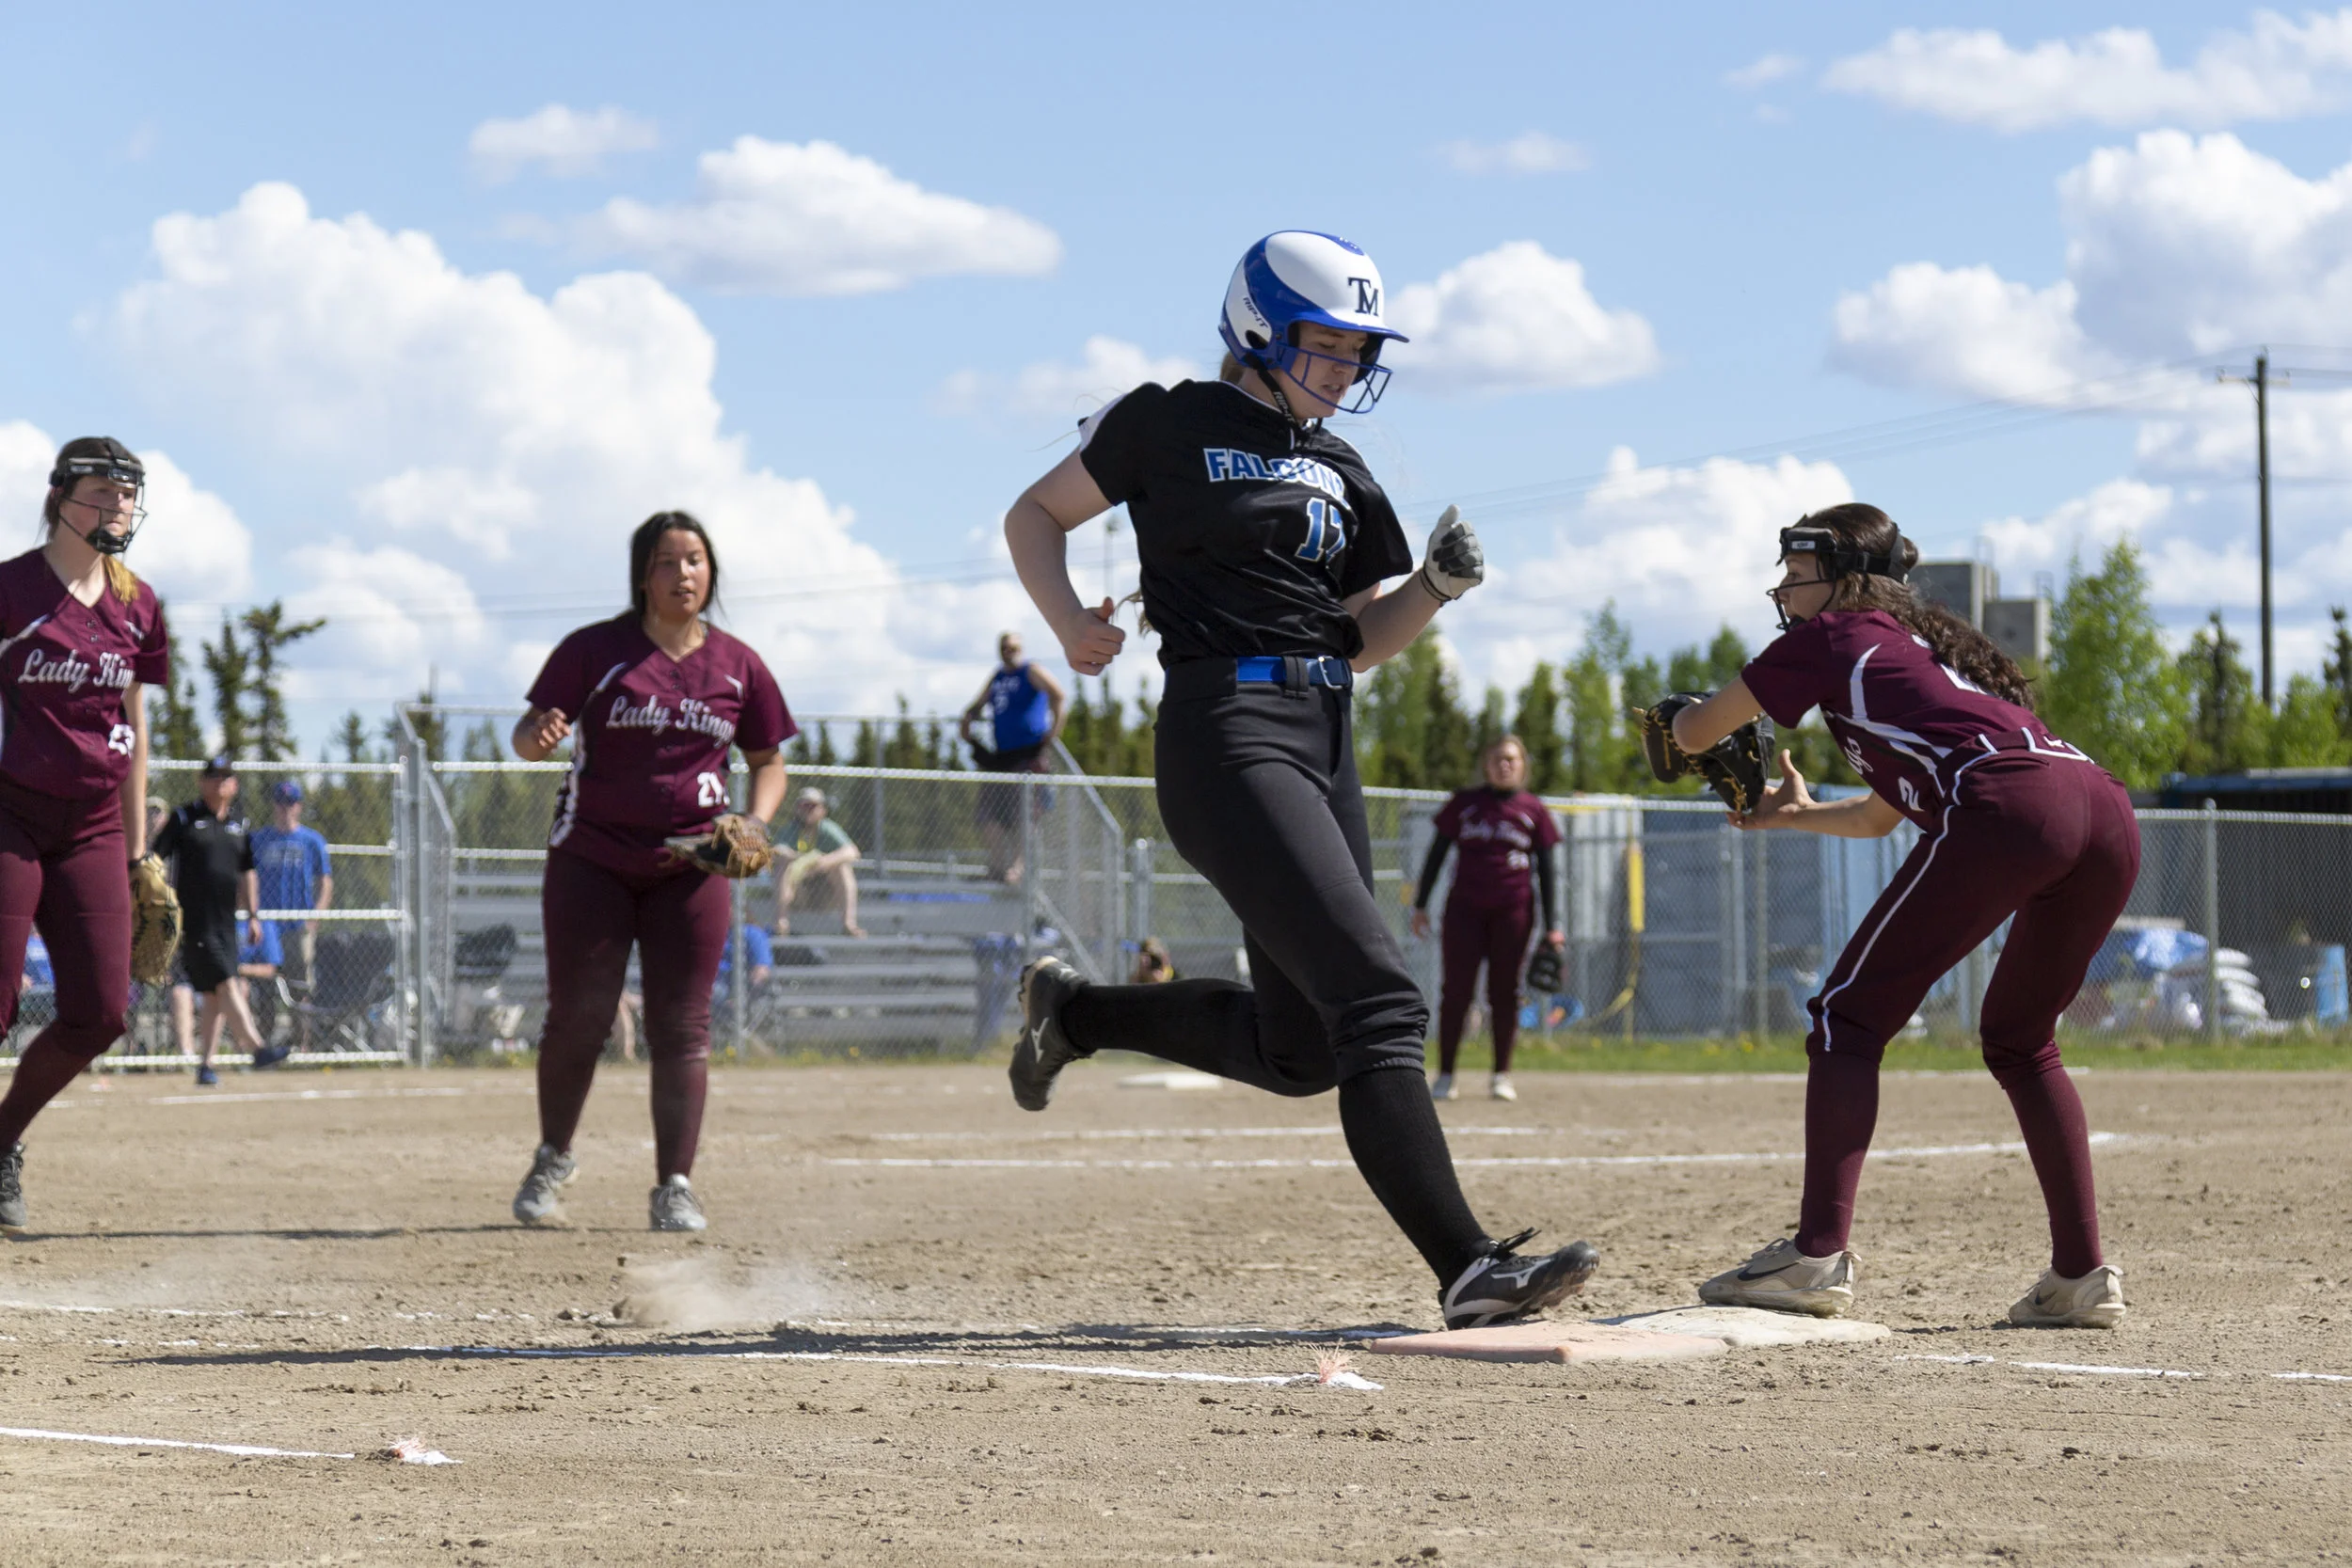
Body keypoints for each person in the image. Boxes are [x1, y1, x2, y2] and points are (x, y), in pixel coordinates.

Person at [999, 230, 1598, 1330]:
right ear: (1257, 328)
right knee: (1380, 998)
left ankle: (1074, 1013)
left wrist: (1434, 587)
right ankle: (1468, 1266)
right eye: (1329, 347)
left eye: (1360, 352)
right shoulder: (1167, 418)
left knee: (1305, 1047)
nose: (1348, 372)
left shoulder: (1342, 465)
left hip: (1325, 731)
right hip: (1225, 728)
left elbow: (1361, 636)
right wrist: (1067, 623)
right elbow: (1033, 514)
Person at [1670, 504, 2138, 1329]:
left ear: (1841, 573)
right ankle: (2081, 1275)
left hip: (2010, 802)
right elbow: (1881, 816)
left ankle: (1815, 1257)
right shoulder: (1915, 650)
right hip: (2098, 807)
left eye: (1796, 567)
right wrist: (1792, 816)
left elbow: (1698, 725)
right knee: (2022, 1037)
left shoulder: (1831, 638)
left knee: (1846, 1015)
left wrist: (1677, 724)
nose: (1783, 584)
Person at [507, 511, 792, 1233]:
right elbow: (528, 736)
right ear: (643, 575)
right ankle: (552, 1157)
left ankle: (675, 1184)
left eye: (696, 559)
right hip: (593, 858)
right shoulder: (597, 650)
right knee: (579, 1015)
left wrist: (755, 819)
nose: (685, 573)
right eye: (668, 561)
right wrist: (537, 735)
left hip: (693, 864)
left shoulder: (738, 663)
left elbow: (769, 763)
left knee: (683, 1025)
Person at [0, 436, 170, 1227]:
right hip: (9, 810)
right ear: (60, 494)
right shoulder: (11, 590)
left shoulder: (139, 603)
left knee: (102, 1011)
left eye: (127, 494)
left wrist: (138, 852)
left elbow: (135, 727)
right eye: (101, 491)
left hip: (96, 821)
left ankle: (2, 1142)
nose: (116, 507)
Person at [1410, 735, 1564, 1103]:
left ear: (1523, 765)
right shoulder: (1464, 804)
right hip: (1464, 910)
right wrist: (1420, 905)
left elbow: (1547, 869)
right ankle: (1446, 1074)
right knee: (1456, 992)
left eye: (1511, 759)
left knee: (1505, 992)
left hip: (1513, 911)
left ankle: (1501, 1075)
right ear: (1485, 764)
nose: (1504, 765)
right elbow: (1436, 854)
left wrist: (1554, 925)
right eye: (1497, 758)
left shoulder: (1533, 809)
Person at [155, 758, 280, 1082]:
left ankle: (206, 1065)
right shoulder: (184, 818)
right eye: (213, 777)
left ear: (234, 785)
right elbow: (155, 859)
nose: (220, 783)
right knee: (227, 981)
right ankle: (256, 1047)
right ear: (202, 782)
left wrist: (253, 916)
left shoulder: (240, 823)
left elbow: (247, 871)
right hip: (194, 921)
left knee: (213, 993)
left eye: (226, 778)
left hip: (228, 921)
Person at [961, 632, 1066, 882]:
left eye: (1014, 647)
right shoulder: (998, 677)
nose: (1009, 652)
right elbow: (978, 704)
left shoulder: (1031, 671)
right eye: (1005, 648)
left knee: (1026, 815)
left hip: (1029, 754)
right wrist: (967, 719)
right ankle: (997, 866)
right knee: (988, 815)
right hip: (1002, 757)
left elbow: (1058, 695)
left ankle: (1016, 868)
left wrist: (1053, 732)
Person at [250, 779, 333, 1047]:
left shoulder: (312, 841)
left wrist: (316, 914)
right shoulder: (259, 840)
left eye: (291, 803)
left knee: (300, 987)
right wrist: (250, 914)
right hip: (267, 925)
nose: (286, 808)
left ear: (298, 806)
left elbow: (325, 881)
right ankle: (263, 1043)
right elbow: (247, 879)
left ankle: (301, 1044)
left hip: (298, 925)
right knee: (264, 987)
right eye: (281, 803)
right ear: (274, 806)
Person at [773, 787, 863, 938]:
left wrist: (824, 862)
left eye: (813, 806)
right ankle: (781, 923)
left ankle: (848, 924)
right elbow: (776, 850)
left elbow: (852, 851)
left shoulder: (827, 828)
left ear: (822, 810)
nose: (808, 810)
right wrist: (790, 856)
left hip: (826, 892)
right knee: (783, 866)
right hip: (798, 892)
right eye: (804, 805)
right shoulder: (789, 830)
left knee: (842, 868)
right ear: (797, 808)